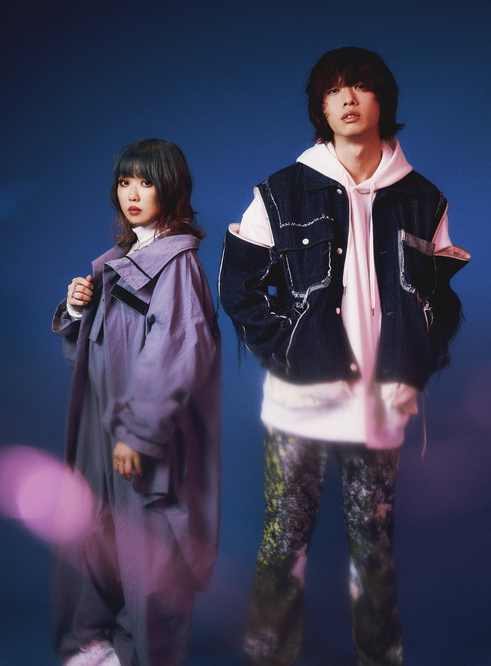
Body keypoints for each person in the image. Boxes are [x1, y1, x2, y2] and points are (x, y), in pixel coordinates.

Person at [219, 47, 470, 665]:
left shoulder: (424, 199)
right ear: (320, 106)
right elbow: (238, 287)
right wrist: (289, 351)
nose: (348, 99)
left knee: (373, 546)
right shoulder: (281, 191)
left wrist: (415, 367)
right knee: (284, 540)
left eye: (360, 86)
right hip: (299, 400)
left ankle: (379, 658)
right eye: (334, 90)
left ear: (384, 99)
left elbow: (441, 302)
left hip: (380, 400)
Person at [51, 138, 221, 666]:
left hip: (141, 433)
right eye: (125, 182)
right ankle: (97, 649)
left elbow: (178, 352)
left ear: (170, 189)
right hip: (100, 427)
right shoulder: (123, 262)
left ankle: (142, 657)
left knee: (148, 553)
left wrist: (139, 432)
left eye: (146, 182)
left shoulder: (176, 265)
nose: (132, 193)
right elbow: (97, 354)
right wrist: (78, 310)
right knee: (96, 536)